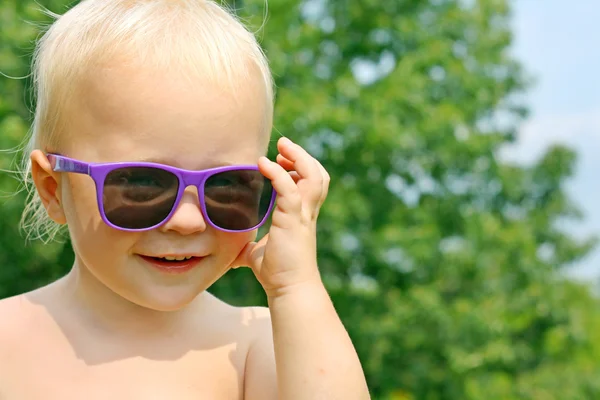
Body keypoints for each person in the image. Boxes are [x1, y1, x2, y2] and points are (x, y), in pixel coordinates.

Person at [0, 0, 370, 399]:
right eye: (143, 185)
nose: (188, 221)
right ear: (54, 189)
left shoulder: (255, 346)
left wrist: (294, 287)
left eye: (226, 187)